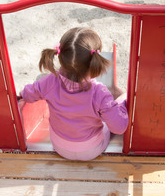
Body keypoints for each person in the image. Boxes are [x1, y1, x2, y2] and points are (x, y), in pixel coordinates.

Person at [20, 27, 128, 161]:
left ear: (60, 56)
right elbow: (119, 128)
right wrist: (121, 102)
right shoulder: (100, 92)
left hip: (59, 147)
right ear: (94, 62)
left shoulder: (49, 81)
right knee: (119, 103)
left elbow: (26, 94)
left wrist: (28, 90)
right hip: (91, 150)